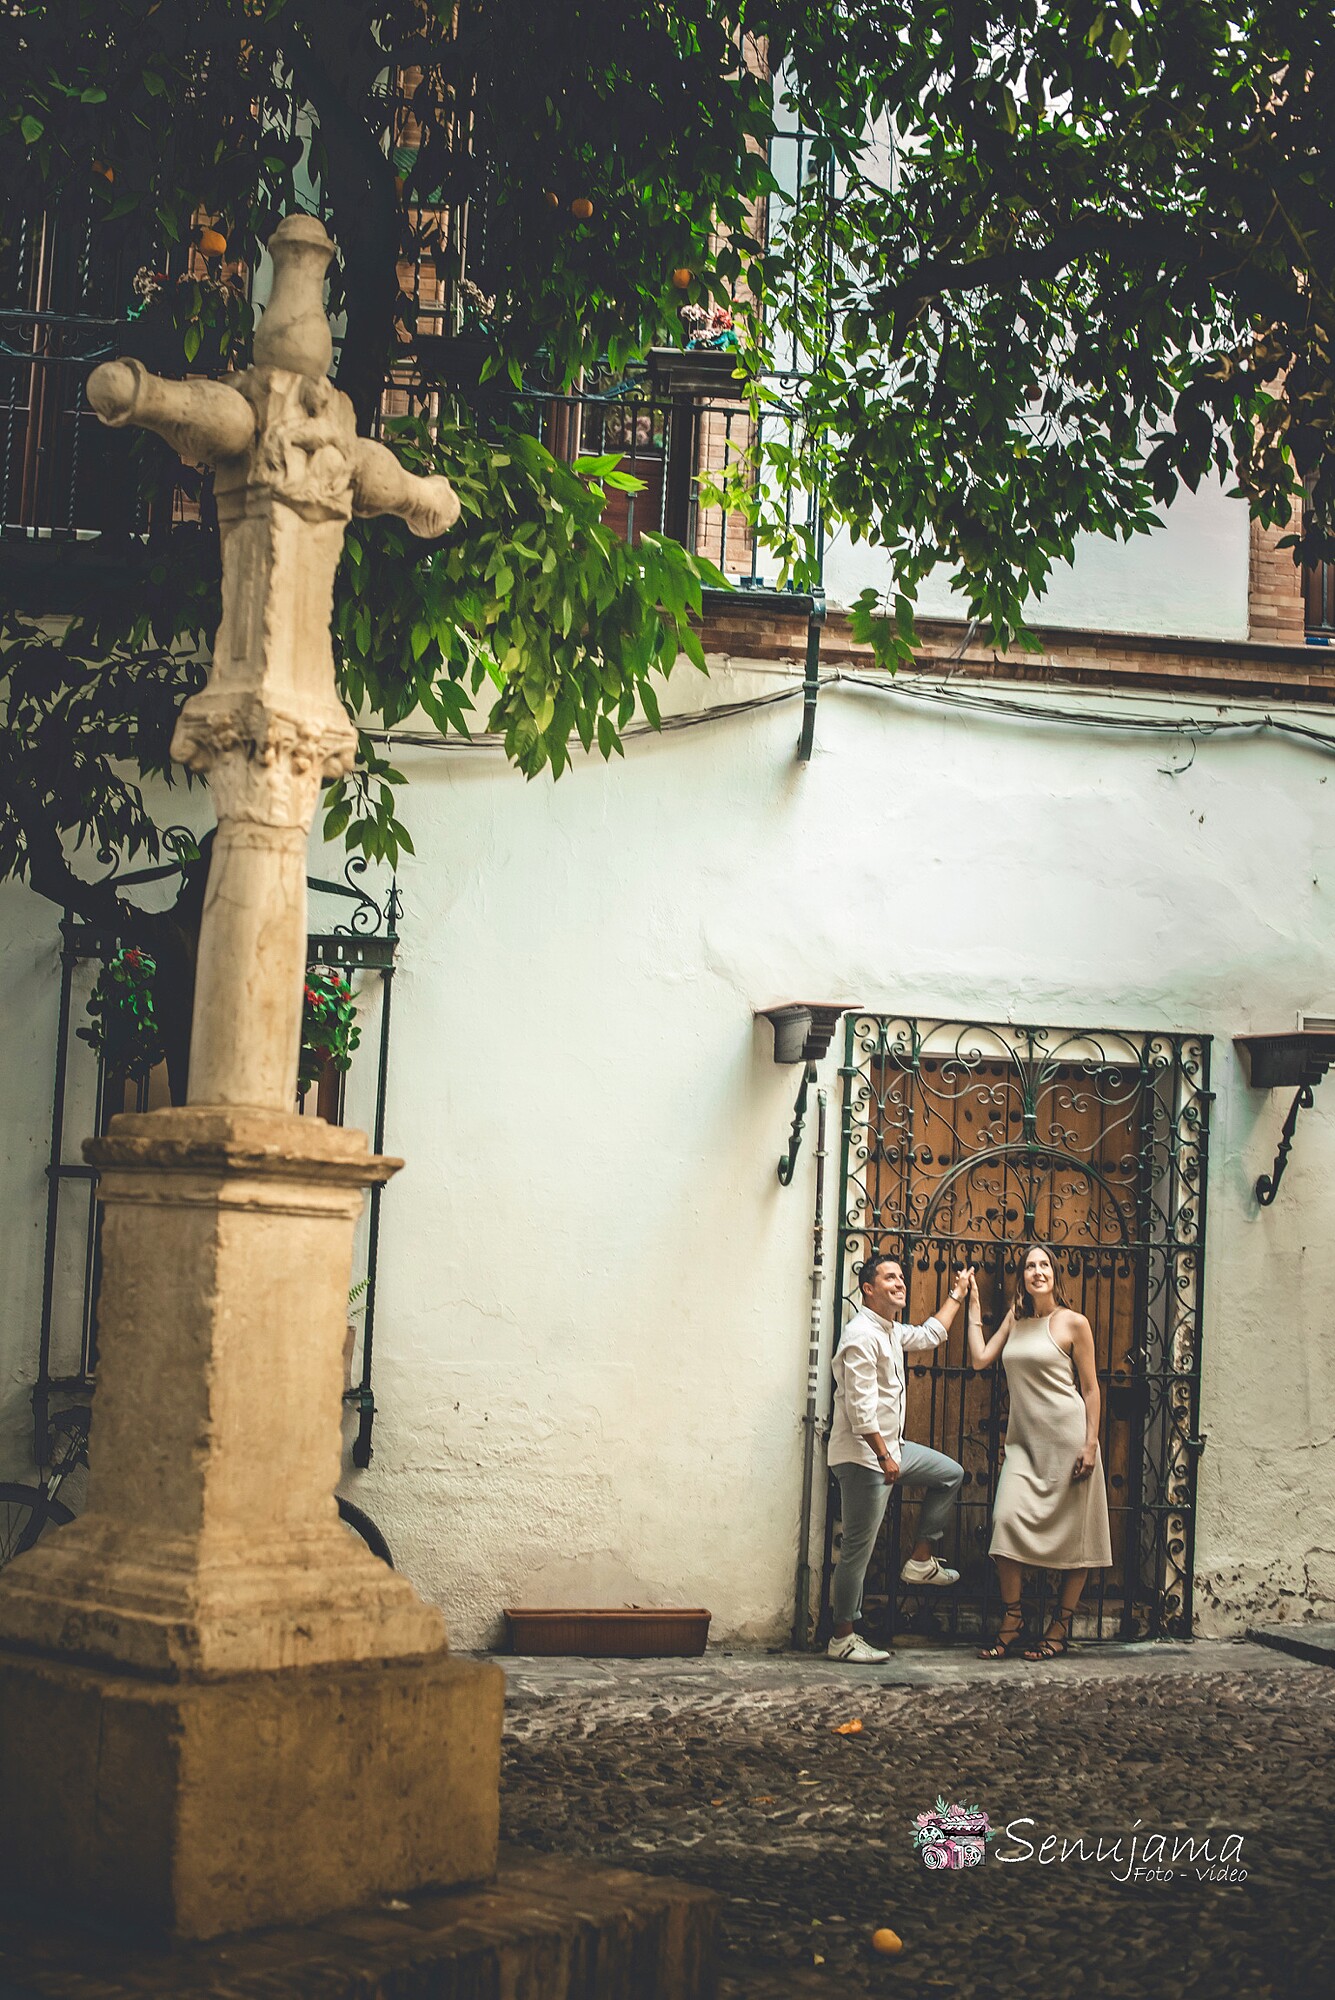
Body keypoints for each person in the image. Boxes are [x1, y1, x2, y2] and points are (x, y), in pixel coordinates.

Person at [967, 1246, 1113, 1661]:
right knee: (1005, 1521)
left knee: (1076, 1540)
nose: (1037, 1271)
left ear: (1055, 1273)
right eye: (1030, 1266)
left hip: (1070, 1444)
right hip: (1024, 1448)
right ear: (1022, 1277)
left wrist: (1090, 1443)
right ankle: (1012, 1620)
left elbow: (1090, 1389)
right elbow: (980, 1359)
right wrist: (973, 1303)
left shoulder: (1073, 1322)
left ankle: (1059, 1627)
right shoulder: (1017, 1320)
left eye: (1044, 1264)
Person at [826, 1252, 971, 1664]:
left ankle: (921, 1561)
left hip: (890, 1452)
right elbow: (859, 1408)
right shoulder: (860, 1334)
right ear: (867, 1289)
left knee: (950, 1474)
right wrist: (884, 1455)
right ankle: (842, 1636)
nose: (900, 1283)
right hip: (864, 1457)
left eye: (902, 1277)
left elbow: (930, 1334)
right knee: (858, 1548)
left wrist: (958, 1294)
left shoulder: (889, 1330)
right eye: (890, 1277)